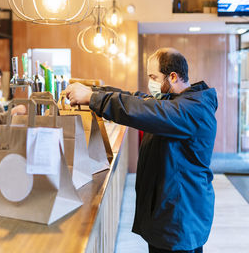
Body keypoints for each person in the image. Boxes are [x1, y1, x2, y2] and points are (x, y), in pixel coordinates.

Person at [65, 48, 217, 253]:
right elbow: (136, 98)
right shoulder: (172, 101)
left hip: (180, 218)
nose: (150, 82)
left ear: (172, 76)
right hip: (168, 214)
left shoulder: (192, 109)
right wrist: (93, 91)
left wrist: (93, 98)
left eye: (154, 76)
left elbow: (144, 110)